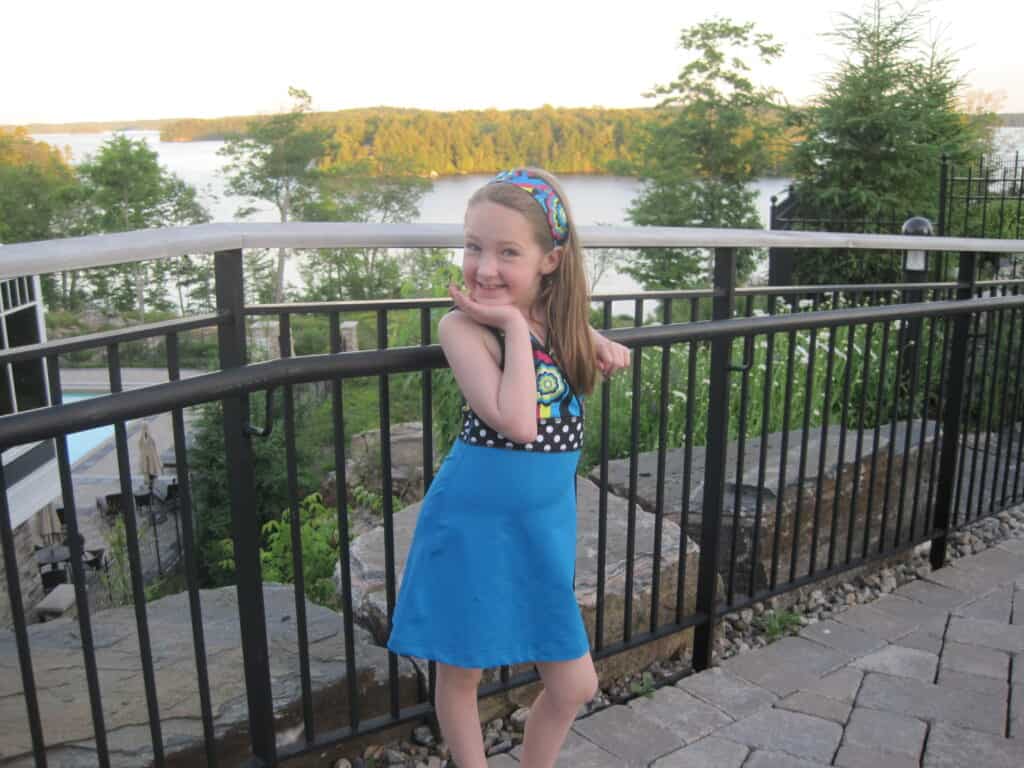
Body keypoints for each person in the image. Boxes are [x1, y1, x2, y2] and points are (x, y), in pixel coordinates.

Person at [386, 167, 630, 768]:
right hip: (472, 521)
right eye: (473, 247)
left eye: (508, 252)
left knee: (575, 685)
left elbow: (558, 341)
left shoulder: (559, 326)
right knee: (462, 671)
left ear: (550, 260)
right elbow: (516, 420)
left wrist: (590, 335)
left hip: (540, 532)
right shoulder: (464, 328)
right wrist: (515, 329)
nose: (484, 267)